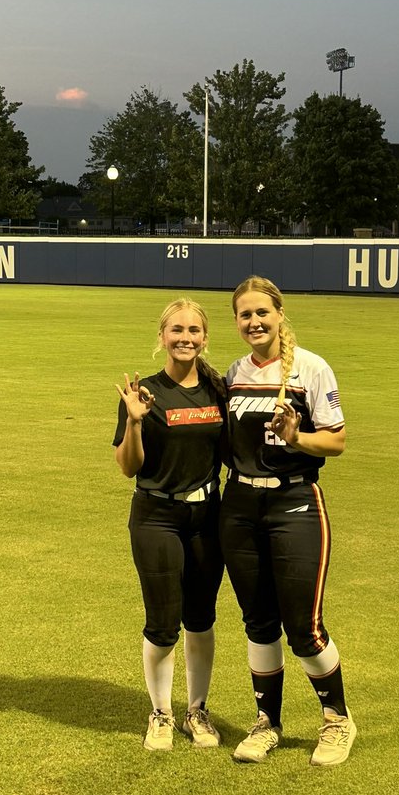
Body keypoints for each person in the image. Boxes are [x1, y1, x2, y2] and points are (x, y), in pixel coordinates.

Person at [219, 275, 355, 767]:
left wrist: (298, 438)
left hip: (294, 505)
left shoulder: (311, 369)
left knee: (303, 626)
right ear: (236, 322)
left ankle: (337, 719)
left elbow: (336, 442)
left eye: (262, 313)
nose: (254, 322)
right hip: (239, 510)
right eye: (245, 315)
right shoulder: (234, 371)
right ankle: (267, 723)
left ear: (279, 315)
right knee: (258, 623)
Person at [114, 298, 227, 752]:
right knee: (163, 623)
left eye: (194, 330)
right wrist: (135, 424)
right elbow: (128, 466)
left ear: (204, 337)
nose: (185, 338)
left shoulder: (218, 388)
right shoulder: (143, 393)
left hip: (207, 517)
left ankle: (195, 712)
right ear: (161, 336)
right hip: (157, 515)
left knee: (200, 620)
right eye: (176, 330)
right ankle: (160, 713)